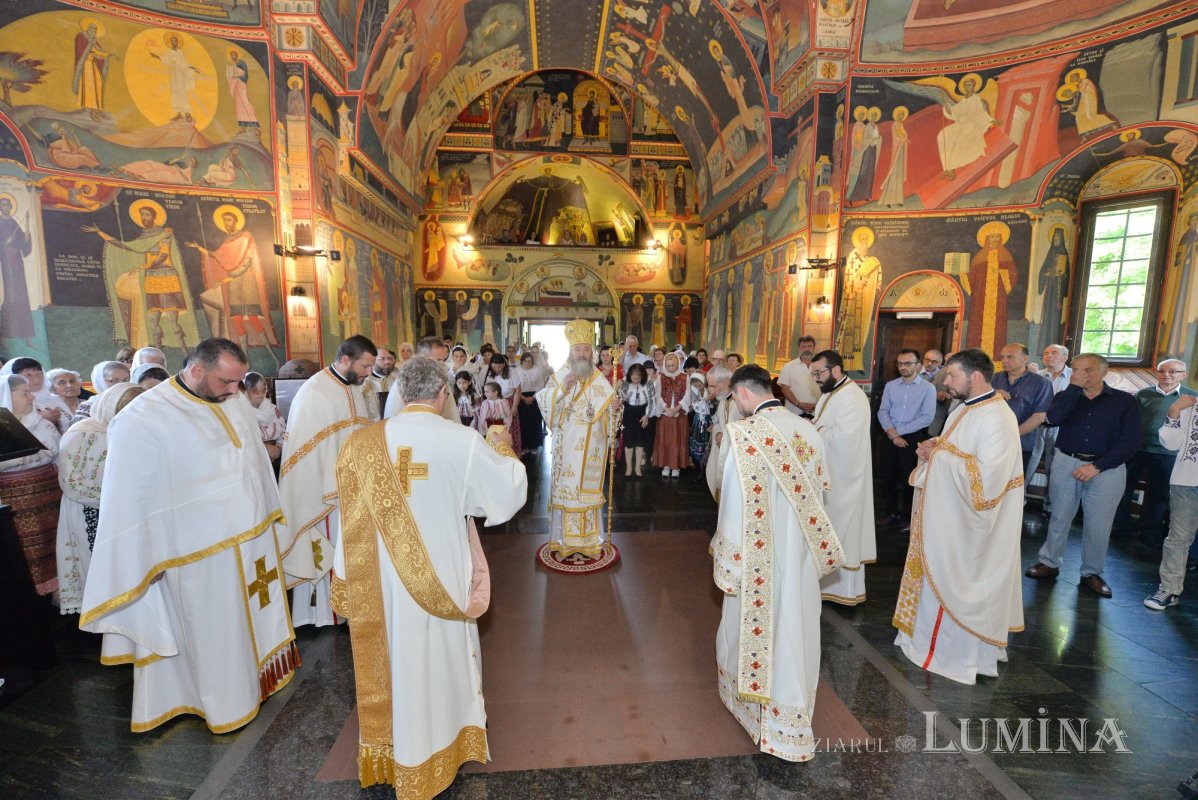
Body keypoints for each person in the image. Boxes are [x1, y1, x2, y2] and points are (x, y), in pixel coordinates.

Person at [330, 355, 527, 797]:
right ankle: (440, 740)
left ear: (400, 393)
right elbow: (506, 496)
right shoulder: (461, 441)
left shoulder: (360, 445)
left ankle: (398, 744)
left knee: (396, 655)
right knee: (438, 656)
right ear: (442, 394)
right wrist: (501, 446)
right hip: (440, 575)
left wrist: (343, 578)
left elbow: (348, 520)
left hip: (380, 580)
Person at [80, 339, 297, 733]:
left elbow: (253, 466)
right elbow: (129, 498)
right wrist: (145, 557)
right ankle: (220, 703)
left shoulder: (230, 401)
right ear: (196, 370)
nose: (235, 390)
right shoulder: (143, 418)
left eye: (237, 382)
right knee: (214, 634)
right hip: (196, 555)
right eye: (226, 381)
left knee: (249, 625)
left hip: (251, 545)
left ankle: (257, 682)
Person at [711, 364, 844, 762]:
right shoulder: (807, 429)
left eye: (735, 399)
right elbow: (821, 491)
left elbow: (732, 503)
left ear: (743, 395)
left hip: (758, 558)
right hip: (798, 552)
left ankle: (758, 709)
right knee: (795, 626)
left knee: (760, 629)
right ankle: (790, 715)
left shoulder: (744, 435)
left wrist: (729, 564)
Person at [893, 348, 1024, 684]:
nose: (946, 381)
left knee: (960, 583)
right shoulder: (964, 409)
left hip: (969, 528)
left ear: (975, 377)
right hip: (947, 517)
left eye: (952, 375)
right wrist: (931, 448)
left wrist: (938, 456)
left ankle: (955, 653)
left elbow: (987, 483)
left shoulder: (997, 417)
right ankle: (923, 640)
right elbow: (955, 448)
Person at [279, 335, 378, 628]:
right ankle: (324, 613)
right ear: (346, 360)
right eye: (365, 366)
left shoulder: (354, 387)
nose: (368, 373)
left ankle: (347, 608)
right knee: (328, 547)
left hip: (351, 490)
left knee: (349, 549)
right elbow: (305, 452)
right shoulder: (315, 392)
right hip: (322, 491)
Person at [1026, 354, 1140, 598]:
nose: (1082, 375)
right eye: (1076, 370)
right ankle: (1049, 562)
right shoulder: (1066, 396)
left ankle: (1092, 572)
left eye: (1088, 370)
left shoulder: (1124, 402)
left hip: (1107, 468)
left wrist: (1098, 466)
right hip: (1067, 461)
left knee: (1099, 523)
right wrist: (1072, 389)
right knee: (1059, 515)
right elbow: (1053, 418)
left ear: (1104, 372)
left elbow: (1130, 442)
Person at [55, 382, 143, 615]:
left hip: (125, 512)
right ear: (111, 405)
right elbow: (71, 482)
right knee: (95, 565)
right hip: (89, 511)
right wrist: (114, 500)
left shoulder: (131, 430)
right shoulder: (82, 432)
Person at [535, 319, 619, 559]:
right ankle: (563, 540)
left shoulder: (599, 378)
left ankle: (591, 540)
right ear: (570, 351)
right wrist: (562, 389)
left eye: (586, 349)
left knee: (588, 494)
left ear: (591, 351)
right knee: (569, 491)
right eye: (577, 349)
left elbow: (610, 416)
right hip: (568, 446)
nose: (582, 354)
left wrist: (614, 408)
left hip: (593, 447)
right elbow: (543, 402)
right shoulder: (561, 374)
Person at [810, 350, 876, 605]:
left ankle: (844, 590)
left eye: (819, 373)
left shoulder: (852, 397)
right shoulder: (831, 392)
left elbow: (846, 440)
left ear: (835, 369)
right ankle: (826, 585)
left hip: (845, 478)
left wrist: (815, 431)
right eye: (813, 374)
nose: (816, 378)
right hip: (831, 475)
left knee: (844, 533)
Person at [1116, 359, 1197, 543]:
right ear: (1157, 373)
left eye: (1173, 371)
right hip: (1138, 449)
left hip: (1167, 453)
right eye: (1163, 370)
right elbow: (1130, 422)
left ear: (1183, 375)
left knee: (1158, 494)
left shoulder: (1191, 397)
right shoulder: (1143, 394)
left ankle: (1148, 531)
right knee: (1123, 487)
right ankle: (1121, 527)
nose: (1167, 374)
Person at [0, 374, 62, 596]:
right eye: (24, 393)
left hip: (52, 496)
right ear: (7, 396)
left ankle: (60, 595)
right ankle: (31, 598)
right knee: (25, 550)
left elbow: (59, 456)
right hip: (15, 503)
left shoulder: (43, 423)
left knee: (56, 544)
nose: (30, 397)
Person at [1146, 392, 1198, 610]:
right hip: (1186, 480)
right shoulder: (1189, 405)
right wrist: (1174, 412)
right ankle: (1169, 589)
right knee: (1178, 537)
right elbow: (1170, 443)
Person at [876, 349, 936, 529]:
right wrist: (893, 433)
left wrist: (898, 432)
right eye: (900, 363)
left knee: (909, 479)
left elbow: (927, 417)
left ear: (918, 365)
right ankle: (890, 512)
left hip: (912, 437)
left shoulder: (928, 388)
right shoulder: (891, 386)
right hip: (890, 435)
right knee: (887, 477)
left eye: (907, 363)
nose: (903, 367)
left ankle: (907, 517)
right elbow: (883, 411)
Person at [992, 343, 1054, 473]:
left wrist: (1011, 435)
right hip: (991, 440)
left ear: (1025, 358)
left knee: (1014, 485)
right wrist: (993, 394)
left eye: (1010, 357)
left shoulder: (1041, 383)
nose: (1005, 360)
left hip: (1021, 443)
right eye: (1002, 357)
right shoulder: (994, 379)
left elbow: (1039, 417)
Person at [1025, 344, 1072, 507]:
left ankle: (1050, 504)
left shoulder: (1073, 377)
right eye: (1045, 353)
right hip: (1035, 424)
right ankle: (1019, 498)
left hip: (1060, 426)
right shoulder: (1036, 375)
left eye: (1054, 353)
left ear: (1065, 357)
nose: (1049, 356)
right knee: (1030, 460)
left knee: (1055, 465)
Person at [384, 337, 458, 423]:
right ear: (422, 358)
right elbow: (393, 417)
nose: (443, 364)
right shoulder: (404, 381)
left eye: (443, 360)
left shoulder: (441, 380)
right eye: (438, 360)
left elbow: (451, 414)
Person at [653, 351, 691, 478]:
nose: (670, 368)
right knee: (665, 440)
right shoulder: (661, 377)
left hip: (679, 414)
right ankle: (666, 464)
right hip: (665, 414)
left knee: (677, 440)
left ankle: (676, 466)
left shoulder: (685, 377)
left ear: (678, 364)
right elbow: (657, 395)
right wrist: (666, 408)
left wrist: (678, 407)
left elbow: (688, 394)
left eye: (673, 365)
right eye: (668, 365)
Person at [705, 365, 739, 500]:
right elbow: (722, 421)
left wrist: (724, 435)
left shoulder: (738, 401)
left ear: (725, 382)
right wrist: (716, 427)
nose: (710, 390)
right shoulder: (724, 398)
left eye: (713, 386)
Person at [619, 363, 654, 477]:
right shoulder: (625, 382)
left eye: (638, 378)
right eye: (633, 378)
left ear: (642, 376)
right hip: (629, 412)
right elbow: (622, 398)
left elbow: (652, 400)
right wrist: (619, 387)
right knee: (628, 441)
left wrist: (647, 415)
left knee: (640, 441)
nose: (635, 381)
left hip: (642, 412)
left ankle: (637, 467)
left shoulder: (648, 382)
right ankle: (629, 467)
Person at [244, 372, 285, 465]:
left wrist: (278, 448)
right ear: (246, 390)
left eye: (264, 390)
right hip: (253, 460)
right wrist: (265, 450)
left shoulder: (273, 409)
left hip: (276, 456)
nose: (261, 394)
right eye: (255, 390)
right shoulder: (241, 411)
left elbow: (285, 430)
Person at [72, 360, 132, 424]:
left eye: (126, 379)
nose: (122, 383)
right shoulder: (89, 406)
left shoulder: (134, 401)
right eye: (114, 380)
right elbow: (80, 431)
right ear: (100, 382)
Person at [514, 352, 548, 454]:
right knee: (523, 423)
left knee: (535, 422)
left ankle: (534, 446)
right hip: (520, 397)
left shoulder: (536, 370)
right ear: (522, 362)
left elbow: (541, 385)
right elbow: (515, 388)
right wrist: (523, 398)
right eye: (525, 361)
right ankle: (524, 446)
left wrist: (533, 397)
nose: (528, 363)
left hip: (535, 397)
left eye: (530, 361)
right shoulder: (517, 370)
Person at [777, 335, 819, 417]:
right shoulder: (789, 366)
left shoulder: (821, 366)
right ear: (799, 348)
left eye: (810, 346)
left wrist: (818, 405)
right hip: (795, 412)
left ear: (814, 348)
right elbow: (784, 389)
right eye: (803, 346)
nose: (807, 349)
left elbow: (826, 388)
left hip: (816, 412)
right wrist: (798, 404)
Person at [918, 349, 951, 436]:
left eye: (934, 361)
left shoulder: (946, 372)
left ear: (940, 363)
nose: (929, 364)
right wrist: (934, 395)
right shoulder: (914, 372)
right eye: (927, 360)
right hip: (917, 416)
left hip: (937, 418)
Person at [46, 368, 86, 432]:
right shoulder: (51, 410)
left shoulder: (91, 405)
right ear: (52, 388)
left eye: (72, 381)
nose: (69, 385)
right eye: (62, 383)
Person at [687, 371, 713, 469]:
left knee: (707, 441)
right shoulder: (695, 392)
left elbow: (712, 406)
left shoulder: (709, 390)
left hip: (707, 420)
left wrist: (706, 400)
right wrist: (705, 400)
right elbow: (695, 405)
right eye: (696, 385)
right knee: (697, 440)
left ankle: (705, 464)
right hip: (698, 419)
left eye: (700, 384)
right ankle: (697, 463)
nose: (698, 386)